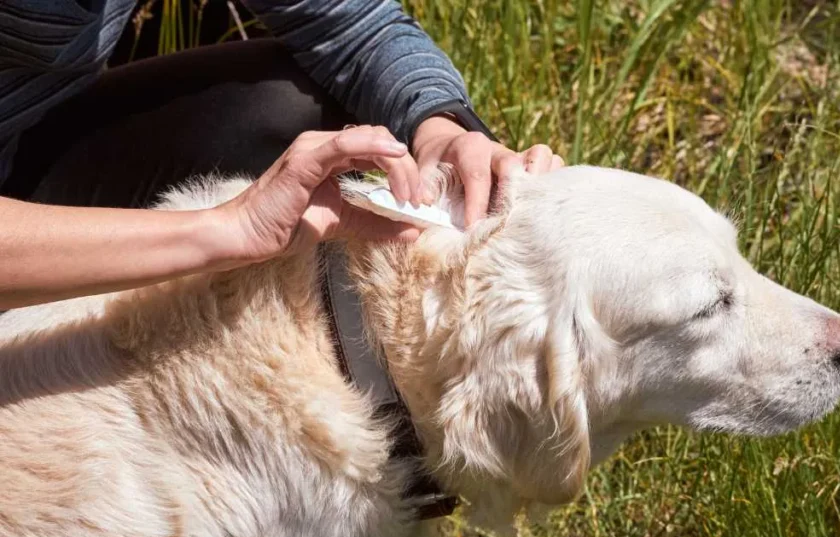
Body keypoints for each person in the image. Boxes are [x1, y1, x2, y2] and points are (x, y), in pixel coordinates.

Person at [0, 1, 563, 310]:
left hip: (23, 140)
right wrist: (227, 228)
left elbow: (355, 26)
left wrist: (437, 127)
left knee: (296, 106)